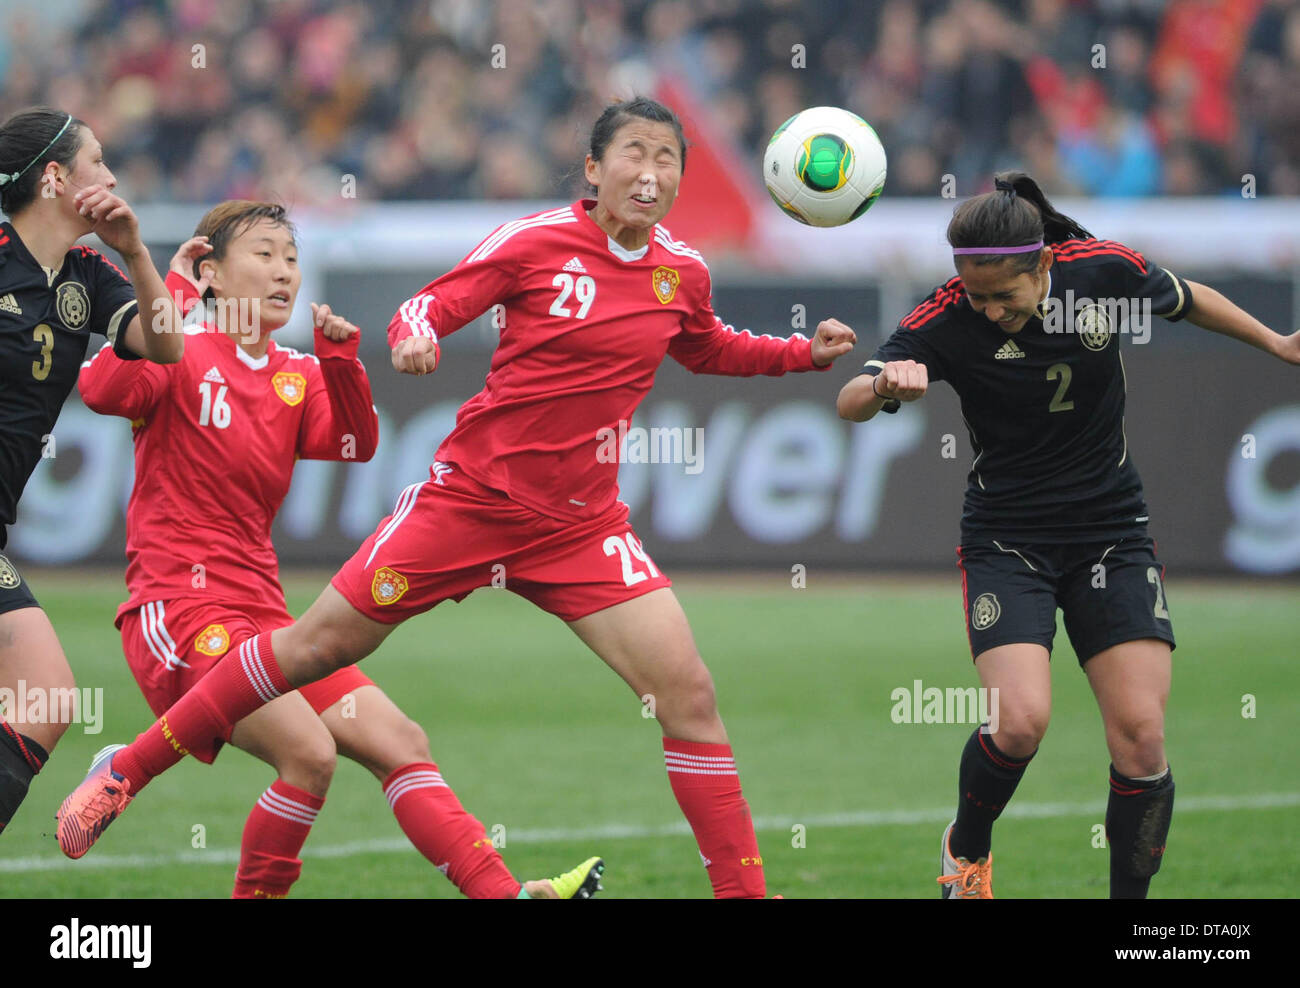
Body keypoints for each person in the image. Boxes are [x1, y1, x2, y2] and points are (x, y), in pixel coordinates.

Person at [57, 96, 858, 898]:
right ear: (593, 169)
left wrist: (801, 354)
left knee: (688, 694)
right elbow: (428, 304)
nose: (650, 173)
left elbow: (709, 344)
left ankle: (741, 895)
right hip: (469, 504)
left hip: (582, 526)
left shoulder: (682, 272)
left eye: (667, 159)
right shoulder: (535, 243)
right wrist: (414, 333)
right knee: (312, 652)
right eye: (634, 154)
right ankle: (129, 769)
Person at [77, 199, 603, 899]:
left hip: (266, 620)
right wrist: (173, 295)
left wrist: (341, 362)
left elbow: (355, 445)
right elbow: (100, 388)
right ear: (212, 272)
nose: (282, 272)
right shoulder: (180, 350)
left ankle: (505, 896)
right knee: (309, 755)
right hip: (178, 611)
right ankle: (124, 769)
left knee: (401, 743)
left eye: (290, 258)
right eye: (262, 255)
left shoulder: (293, 373)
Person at [836, 172, 1300, 898]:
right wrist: (884, 387)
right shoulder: (947, 319)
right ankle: (967, 853)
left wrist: (1275, 342)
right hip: (1008, 541)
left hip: (1111, 534)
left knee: (1142, 739)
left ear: (1045, 264)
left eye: (1003, 295)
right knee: (1020, 723)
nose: (987, 310)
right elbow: (850, 399)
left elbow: (1186, 298)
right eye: (974, 293)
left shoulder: (1102, 274)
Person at [0, 106, 187, 837]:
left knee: (43, 699)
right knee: (45, 692)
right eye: (97, 161)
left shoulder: (88, 271)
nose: (111, 177)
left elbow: (166, 347)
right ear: (54, 176)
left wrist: (138, 253)